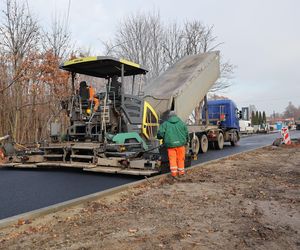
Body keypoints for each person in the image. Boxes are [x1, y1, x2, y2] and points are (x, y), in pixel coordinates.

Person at [157, 111, 189, 177]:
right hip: (181, 145)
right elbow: (186, 133)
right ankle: (181, 173)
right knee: (181, 159)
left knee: (172, 159)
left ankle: (174, 174)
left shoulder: (165, 124)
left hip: (170, 145)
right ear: (176, 116)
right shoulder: (181, 123)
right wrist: (187, 141)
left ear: (169, 116)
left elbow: (160, 133)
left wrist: (159, 137)